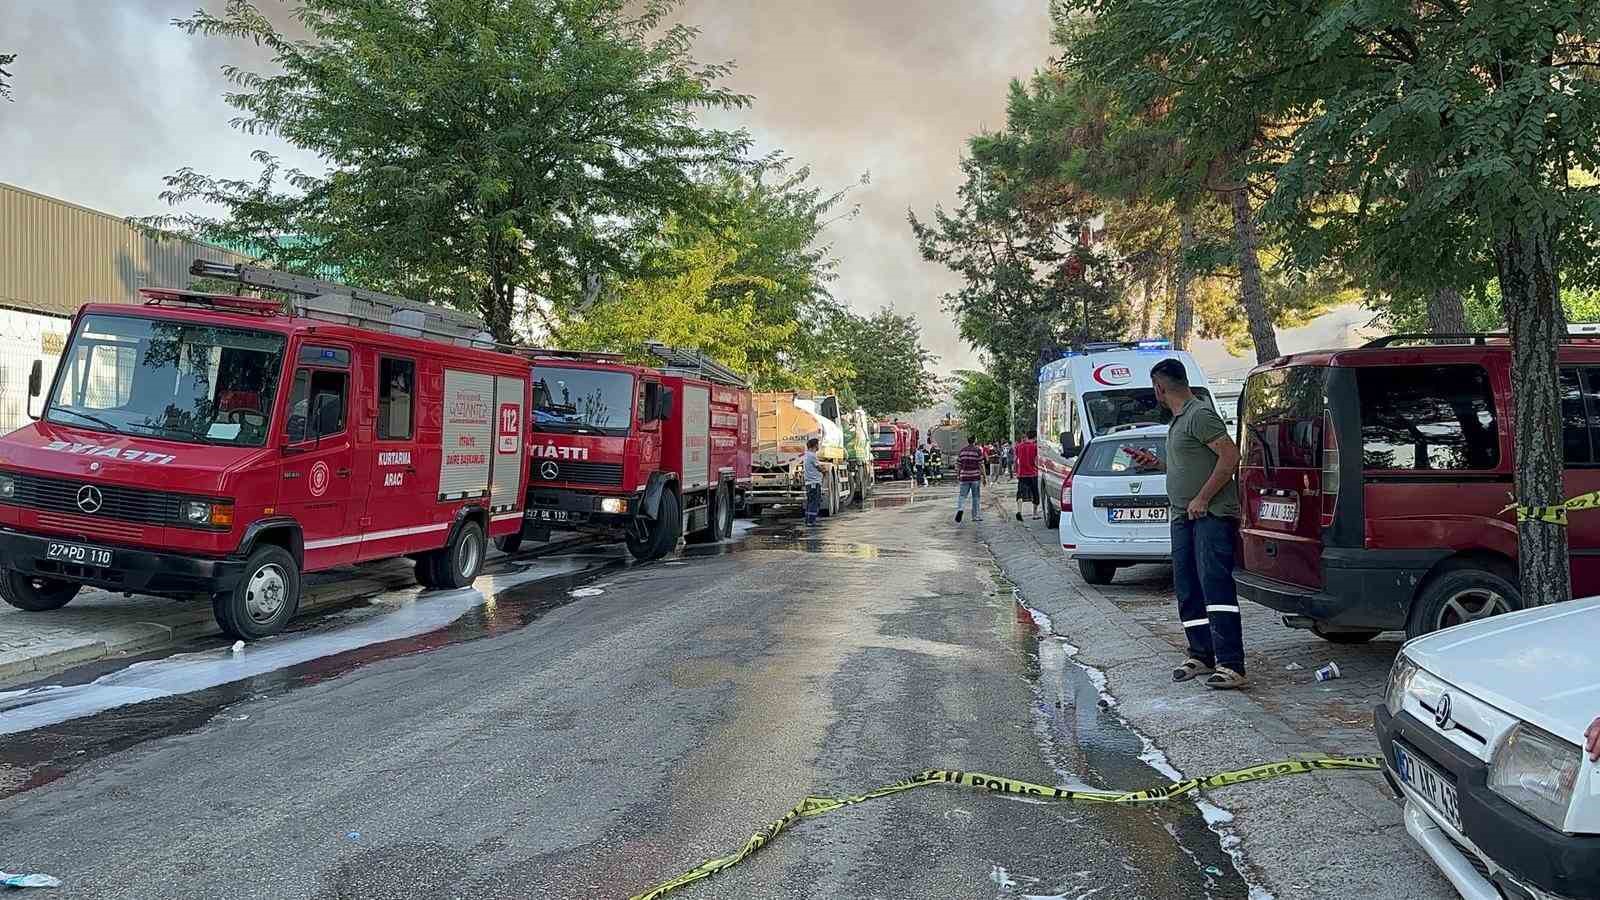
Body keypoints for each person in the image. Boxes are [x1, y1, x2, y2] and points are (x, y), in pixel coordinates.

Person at [1152, 357, 1247, 691]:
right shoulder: (1178, 421)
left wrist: (1203, 498)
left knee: (1215, 587)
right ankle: (1201, 654)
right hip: (1182, 517)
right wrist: (1156, 463)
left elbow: (1230, 456)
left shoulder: (1199, 414)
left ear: (1159, 387)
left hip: (1209, 516)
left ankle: (1231, 664)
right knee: (1188, 586)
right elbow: (1190, 463)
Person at [955, 435, 985, 523]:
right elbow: (981, 464)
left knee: (962, 496)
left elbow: (958, 465)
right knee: (976, 497)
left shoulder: (962, 451)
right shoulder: (977, 451)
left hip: (964, 476)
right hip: (975, 477)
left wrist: (958, 475)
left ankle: (960, 509)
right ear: (975, 440)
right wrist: (984, 477)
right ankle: (975, 516)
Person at [1014, 430, 1041, 521]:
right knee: (1035, 493)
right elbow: (1036, 460)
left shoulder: (1019, 446)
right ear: (1034, 438)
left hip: (1022, 473)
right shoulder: (1035, 447)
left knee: (1020, 493)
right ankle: (1035, 513)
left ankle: (1019, 511)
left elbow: (1017, 459)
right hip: (1033, 473)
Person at [803, 437, 823, 526]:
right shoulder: (812, 455)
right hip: (814, 482)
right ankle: (811, 521)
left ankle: (808, 520)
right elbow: (818, 467)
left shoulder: (806, 455)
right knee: (814, 502)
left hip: (809, 482)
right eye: (818, 444)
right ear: (815, 445)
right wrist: (824, 470)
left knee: (810, 501)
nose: (818, 446)